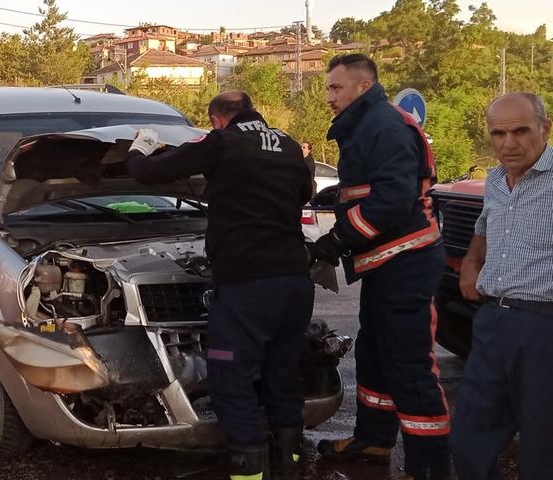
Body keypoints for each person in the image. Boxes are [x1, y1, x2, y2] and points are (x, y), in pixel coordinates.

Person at [126, 91, 314, 480]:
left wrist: (140, 147)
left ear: (217, 119)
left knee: (231, 378)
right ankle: (290, 466)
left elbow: (147, 173)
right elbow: (304, 194)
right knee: (282, 374)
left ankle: (249, 473)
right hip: (295, 280)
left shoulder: (221, 142)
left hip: (248, 282)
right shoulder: (289, 145)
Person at [310, 54, 449, 480]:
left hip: (406, 261)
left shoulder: (384, 126)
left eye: (336, 87)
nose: (329, 96)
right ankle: (373, 439)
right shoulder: (369, 124)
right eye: (329, 88)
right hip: (386, 263)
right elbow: (370, 186)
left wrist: (338, 238)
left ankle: (428, 467)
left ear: (364, 86)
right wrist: (336, 197)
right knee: (374, 355)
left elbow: (392, 198)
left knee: (408, 364)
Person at [450, 93, 553, 480]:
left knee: (542, 450)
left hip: (543, 328)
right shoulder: (494, 180)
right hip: (491, 321)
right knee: (468, 440)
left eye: (520, 131)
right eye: (498, 133)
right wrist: (471, 263)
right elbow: (485, 226)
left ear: (545, 129)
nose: (508, 143)